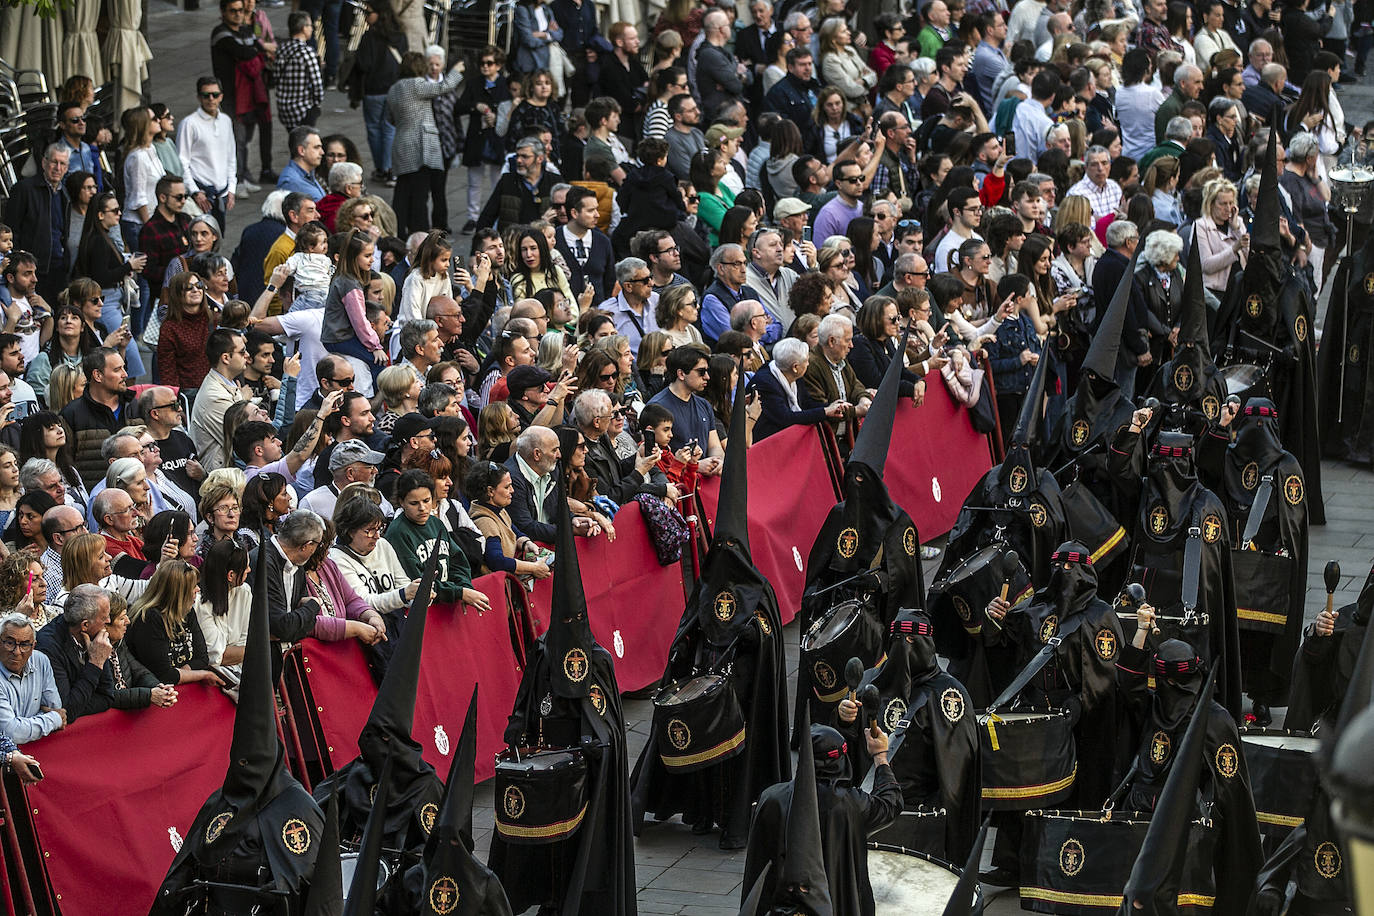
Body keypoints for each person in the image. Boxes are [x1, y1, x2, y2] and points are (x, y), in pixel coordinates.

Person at [125, 560, 222, 687]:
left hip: (180, 688)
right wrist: (202, 674)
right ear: (178, 592)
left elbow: (203, 659)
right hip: (155, 693)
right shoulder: (149, 619)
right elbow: (164, 676)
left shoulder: (187, 611)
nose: (198, 590)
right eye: (193, 586)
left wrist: (181, 673)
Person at [463, 461, 553, 579]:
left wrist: (527, 543)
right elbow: (496, 561)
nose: (512, 491)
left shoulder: (497, 509)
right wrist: (533, 567)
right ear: (490, 491)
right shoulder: (486, 522)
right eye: (507, 487)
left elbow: (513, 530)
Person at [0, 613, 67, 745]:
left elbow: (54, 707)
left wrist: (21, 725)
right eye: (9, 643)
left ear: (33, 646)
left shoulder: (40, 661)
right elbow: (11, 733)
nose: (17, 651)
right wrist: (53, 719)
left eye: (24, 645)